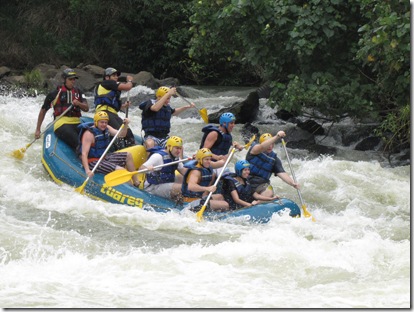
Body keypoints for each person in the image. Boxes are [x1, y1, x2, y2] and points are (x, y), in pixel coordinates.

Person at [79, 111, 140, 186]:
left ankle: (136, 183)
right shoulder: (89, 134)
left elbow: (122, 135)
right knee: (121, 170)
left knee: (128, 155)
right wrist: (87, 170)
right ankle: (132, 190)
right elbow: (84, 154)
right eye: (101, 122)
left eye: (105, 122)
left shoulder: (107, 128)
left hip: (103, 157)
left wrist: (125, 125)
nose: (104, 124)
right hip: (92, 162)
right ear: (96, 122)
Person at [35, 68, 89, 149]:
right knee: (78, 143)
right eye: (70, 79)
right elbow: (43, 111)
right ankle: (82, 156)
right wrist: (38, 129)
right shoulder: (55, 94)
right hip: (62, 123)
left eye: (74, 79)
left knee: (90, 139)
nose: (73, 81)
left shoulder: (79, 92)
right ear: (64, 79)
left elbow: (86, 108)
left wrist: (79, 103)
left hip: (77, 122)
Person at [246, 131, 299, 197]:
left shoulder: (274, 160)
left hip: (261, 184)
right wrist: (277, 136)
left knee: (269, 192)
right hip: (246, 180)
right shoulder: (254, 149)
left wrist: (292, 183)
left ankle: (257, 203)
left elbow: (282, 173)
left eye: (272, 144)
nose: (270, 146)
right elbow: (262, 147)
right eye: (268, 144)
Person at [94, 67, 135, 149]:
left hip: (112, 113)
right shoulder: (107, 83)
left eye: (117, 75)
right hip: (104, 113)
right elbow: (128, 87)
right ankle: (120, 151)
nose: (116, 77)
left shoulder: (111, 87)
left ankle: (131, 149)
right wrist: (130, 81)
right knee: (120, 133)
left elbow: (112, 105)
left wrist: (123, 106)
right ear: (107, 77)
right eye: (113, 75)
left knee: (128, 132)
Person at [139, 136, 188, 200]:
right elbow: (141, 169)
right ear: (169, 147)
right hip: (153, 188)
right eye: (177, 148)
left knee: (182, 177)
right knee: (180, 187)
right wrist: (148, 169)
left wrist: (197, 168)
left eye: (180, 148)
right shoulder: (158, 157)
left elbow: (185, 172)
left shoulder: (176, 158)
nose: (179, 151)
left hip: (165, 183)